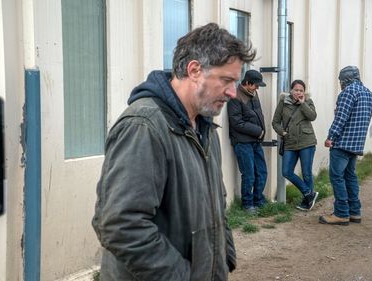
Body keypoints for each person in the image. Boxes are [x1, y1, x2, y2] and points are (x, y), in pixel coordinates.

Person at [91, 23, 256, 280]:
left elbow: (215, 204)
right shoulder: (144, 127)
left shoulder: (205, 129)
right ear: (194, 70)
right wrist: (183, 276)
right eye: (227, 80)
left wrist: (224, 259)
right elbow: (120, 225)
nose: (233, 93)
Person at [319, 66, 372, 226]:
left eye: (340, 81)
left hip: (342, 143)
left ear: (345, 79)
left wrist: (331, 137)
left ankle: (341, 213)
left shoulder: (348, 93)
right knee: (350, 176)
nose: (340, 84)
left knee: (337, 177)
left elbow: (341, 118)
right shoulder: (369, 94)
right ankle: (354, 212)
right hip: (357, 143)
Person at [272, 80, 319, 211]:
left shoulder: (308, 101)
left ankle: (307, 202)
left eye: (301, 90)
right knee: (286, 171)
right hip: (290, 142)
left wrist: (303, 103)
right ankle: (309, 193)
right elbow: (275, 122)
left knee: (306, 173)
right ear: (291, 90)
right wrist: (282, 132)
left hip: (306, 142)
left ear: (304, 92)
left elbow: (312, 116)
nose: (298, 92)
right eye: (296, 90)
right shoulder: (283, 102)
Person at [227, 69, 268, 214]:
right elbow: (237, 122)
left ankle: (258, 200)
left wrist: (261, 133)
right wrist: (258, 131)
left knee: (262, 172)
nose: (257, 88)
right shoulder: (235, 97)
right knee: (249, 174)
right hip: (243, 142)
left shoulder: (253, 94)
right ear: (247, 83)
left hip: (255, 141)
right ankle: (247, 204)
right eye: (256, 85)